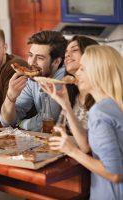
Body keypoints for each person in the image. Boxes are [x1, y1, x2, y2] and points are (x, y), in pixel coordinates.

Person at [48, 45, 123, 199]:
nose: (77, 73)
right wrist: (66, 105)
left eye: (82, 69)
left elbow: (115, 174)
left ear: (97, 73)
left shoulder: (100, 112)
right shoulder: (112, 105)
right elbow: (86, 145)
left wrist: (71, 151)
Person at [0, 30, 68, 131]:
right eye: (31, 55)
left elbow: (47, 121)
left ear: (56, 62)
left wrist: (21, 124)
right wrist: (10, 97)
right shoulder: (33, 79)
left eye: (40, 58)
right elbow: (6, 121)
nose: (32, 62)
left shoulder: (62, 79)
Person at [40, 36, 98, 152]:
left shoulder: (102, 97)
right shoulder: (71, 94)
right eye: (66, 52)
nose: (67, 54)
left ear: (91, 55)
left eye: (74, 50)